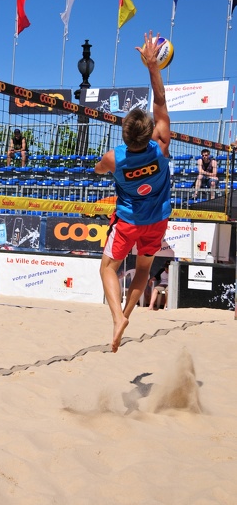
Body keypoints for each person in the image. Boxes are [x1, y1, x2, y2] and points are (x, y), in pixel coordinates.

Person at [94, 30, 171, 353]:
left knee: (108, 268)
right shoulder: (162, 147)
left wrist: (104, 168)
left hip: (128, 221)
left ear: (125, 136)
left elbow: (98, 169)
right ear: (150, 131)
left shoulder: (115, 158)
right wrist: (152, 66)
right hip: (157, 221)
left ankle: (117, 318)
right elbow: (160, 101)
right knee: (142, 270)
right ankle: (127, 314)